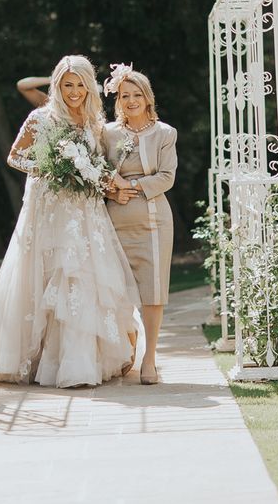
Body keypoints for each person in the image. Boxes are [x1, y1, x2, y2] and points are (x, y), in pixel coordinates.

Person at [0, 55, 140, 388]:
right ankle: (36, 359)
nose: (74, 91)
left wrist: (105, 182)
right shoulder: (41, 117)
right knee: (44, 275)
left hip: (84, 213)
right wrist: (51, 167)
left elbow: (96, 166)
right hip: (49, 209)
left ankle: (79, 362)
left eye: (80, 85)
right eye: (68, 85)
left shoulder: (95, 122)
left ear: (88, 87)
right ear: (57, 85)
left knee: (82, 276)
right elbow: (15, 157)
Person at [103, 64, 177, 386]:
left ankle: (150, 359)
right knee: (116, 290)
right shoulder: (107, 133)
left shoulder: (165, 133)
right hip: (113, 222)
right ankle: (126, 351)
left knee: (153, 291)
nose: (131, 101)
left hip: (153, 222)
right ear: (118, 99)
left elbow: (167, 176)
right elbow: (98, 171)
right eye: (124, 95)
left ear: (148, 98)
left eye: (137, 95)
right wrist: (111, 189)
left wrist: (131, 189)